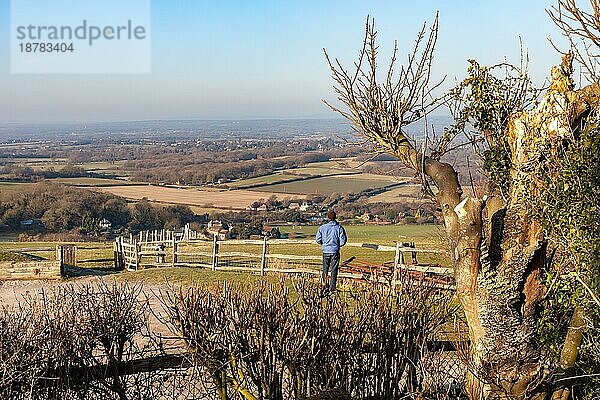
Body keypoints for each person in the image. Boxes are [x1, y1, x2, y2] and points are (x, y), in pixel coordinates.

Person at [315, 210, 347, 297]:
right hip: (335, 251)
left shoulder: (322, 228)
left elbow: (318, 239)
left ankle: (325, 285)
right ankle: (332, 288)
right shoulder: (339, 228)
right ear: (335, 217)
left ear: (328, 217)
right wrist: (337, 245)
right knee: (334, 270)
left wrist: (324, 244)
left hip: (325, 251)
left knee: (325, 269)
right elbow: (343, 241)